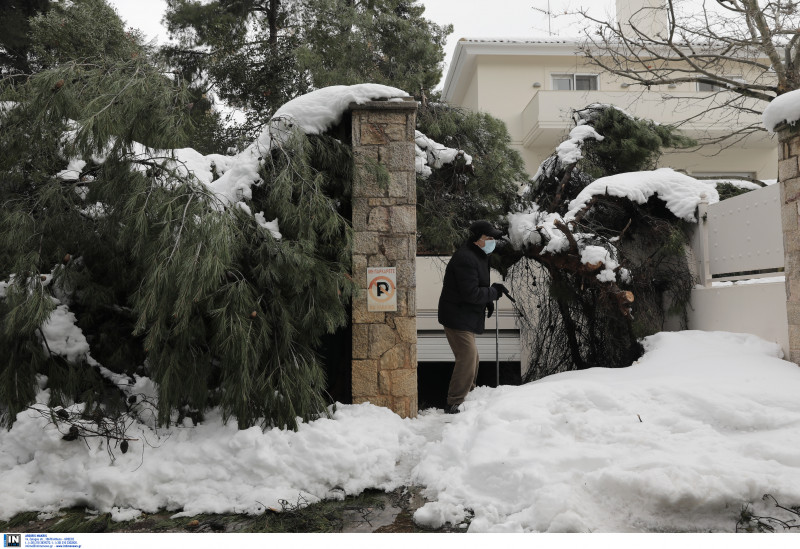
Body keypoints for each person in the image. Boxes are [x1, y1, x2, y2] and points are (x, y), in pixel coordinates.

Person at [437, 220, 508, 414]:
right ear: (477, 239)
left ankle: (468, 397)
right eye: (489, 237)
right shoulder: (466, 259)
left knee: (473, 357)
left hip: (466, 315)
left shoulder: (480, 256)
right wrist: (492, 293)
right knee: (467, 357)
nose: (493, 241)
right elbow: (471, 293)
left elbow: (476, 288)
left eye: (494, 238)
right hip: (456, 316)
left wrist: (488, 301)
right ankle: (455, 402)